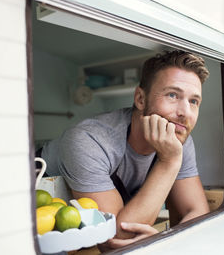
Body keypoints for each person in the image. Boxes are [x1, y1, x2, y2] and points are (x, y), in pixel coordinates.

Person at [41, 50, 210, 249]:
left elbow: (198, 211)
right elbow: (115, 240)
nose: (185, 113)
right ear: (140, 98)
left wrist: (166, 238)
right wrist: (169, 161)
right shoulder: (88, 139)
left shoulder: (178, 138)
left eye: (193, 101)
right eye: (172, 95)